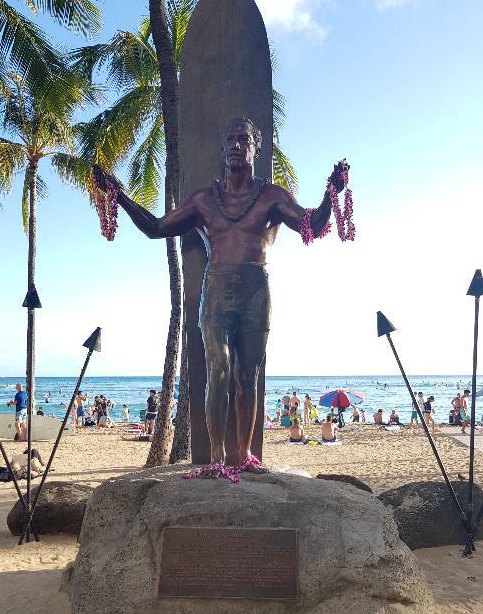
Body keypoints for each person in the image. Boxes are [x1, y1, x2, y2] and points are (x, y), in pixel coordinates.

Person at [93, 119, 347, 471]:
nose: (235, 145)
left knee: (248, 376)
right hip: (215, 290)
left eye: (243, 138)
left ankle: (243, 456)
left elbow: (312, 224)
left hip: (256, 289)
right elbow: (156, 227)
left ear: (256, 146)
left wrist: (331, 191)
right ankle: (215, 460)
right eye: (229, 139)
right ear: (222, 149)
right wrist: (118, 195)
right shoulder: (204, 201)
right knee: (220, 370)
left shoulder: (272, 196)